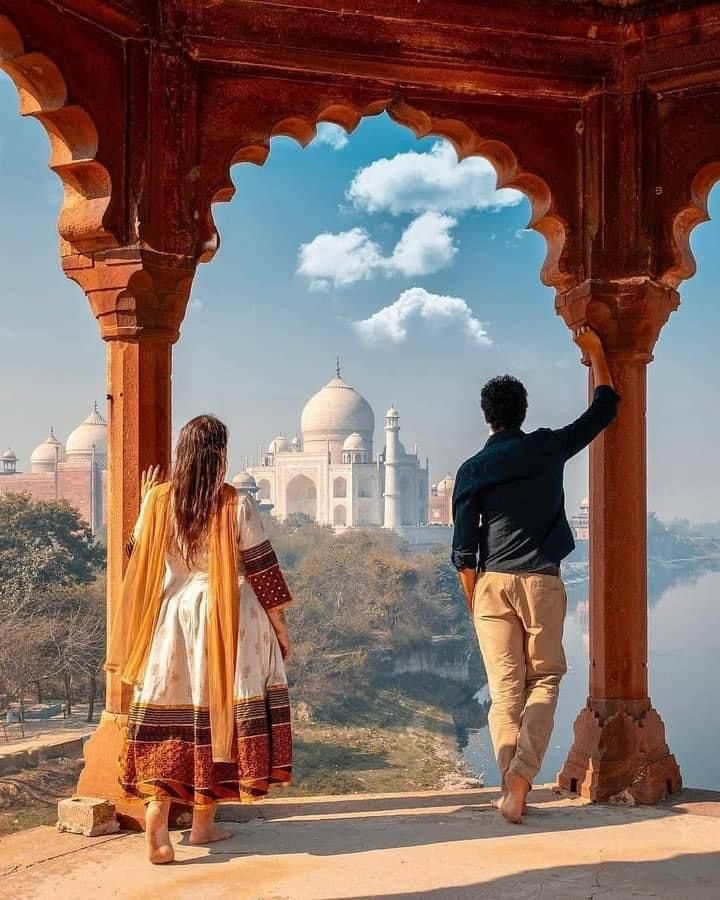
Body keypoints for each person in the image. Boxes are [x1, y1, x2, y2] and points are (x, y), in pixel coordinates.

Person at [106, 415, 293, 864]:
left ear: (181, 454)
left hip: (175, 615)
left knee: (172, 713)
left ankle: (159, 817)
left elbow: (137, 553)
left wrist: (148, 500)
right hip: (231, 615)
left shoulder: (158, 501)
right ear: (221, 455)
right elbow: (262, 571)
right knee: (218, 715)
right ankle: (203, 825)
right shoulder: (235, 503)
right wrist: (281, 630)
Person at [451, 326, 619, 824]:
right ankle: (522, 780)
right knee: (544, 679)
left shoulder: (473, 468)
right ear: (523, 412)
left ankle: (510, 786)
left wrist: (475, 597)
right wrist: (597, 353)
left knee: (505, 691)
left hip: (491, 584)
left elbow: (463, 549)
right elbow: (604, 410)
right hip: (541, 581)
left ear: (487, 416)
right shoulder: (545, 448)